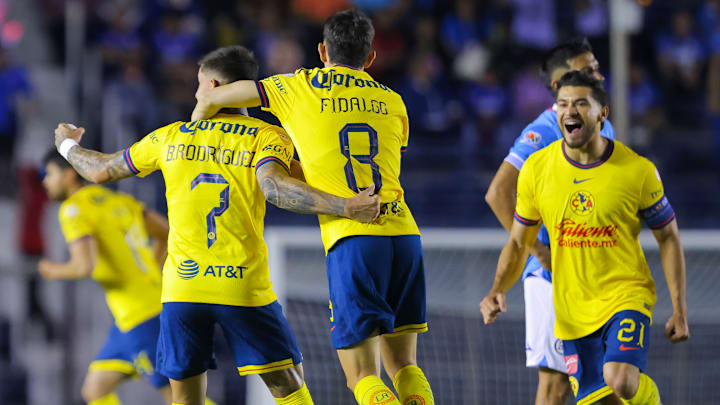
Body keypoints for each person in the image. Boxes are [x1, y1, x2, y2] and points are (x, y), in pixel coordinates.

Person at [52, 45, 381, 405]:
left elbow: (100, 169)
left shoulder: (170, 137)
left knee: (184, 399)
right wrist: (345, 206)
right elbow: (277, 187)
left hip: (183, 291)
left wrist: (67, 145)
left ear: (212, 84)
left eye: (198, 85)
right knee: (289, 387)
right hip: (241, 286)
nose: (196, 94)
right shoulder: (266, 137)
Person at [192, 9, 434, 405]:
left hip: (353, 239)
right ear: (370, 58)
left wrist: (198, 124)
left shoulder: (297, 86)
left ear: (322, 50)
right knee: (406, 367)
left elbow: (214, 96)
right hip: (404, 235)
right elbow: (362, 162)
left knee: (361, 376)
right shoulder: (393, 100)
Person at [480, 71, 690, 405]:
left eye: (581, 103)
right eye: (563, 104)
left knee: (620, 380)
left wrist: (679, 309)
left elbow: (668, 236)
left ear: (602, 112)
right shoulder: (537, 170)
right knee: (605, 399)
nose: (570, 111)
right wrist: (496, 290)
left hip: (625, 295)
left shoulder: (638, 171)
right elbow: (521, 242)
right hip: (572, 310)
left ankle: (649, 395)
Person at [485, 38, 614, 405]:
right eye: (585, 70)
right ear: (559, 88)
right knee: (556, 386)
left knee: (603, 381)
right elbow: (498, 193)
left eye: (595, 66)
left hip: (592, 275)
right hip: (555, 277)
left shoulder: (604, 127)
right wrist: (538, 250)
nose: (597, 74)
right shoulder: (546, 129)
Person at [39, 150, 174, 405]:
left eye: (50, 174)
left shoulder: (73, 209)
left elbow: (83, 266)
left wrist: (52, 270)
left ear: (69, 175)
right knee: (95, 390)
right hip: (133, 315)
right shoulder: (119, 201)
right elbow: (166, 232)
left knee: (178, 397)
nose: (45, 181)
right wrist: (152, 272)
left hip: (142, 316)